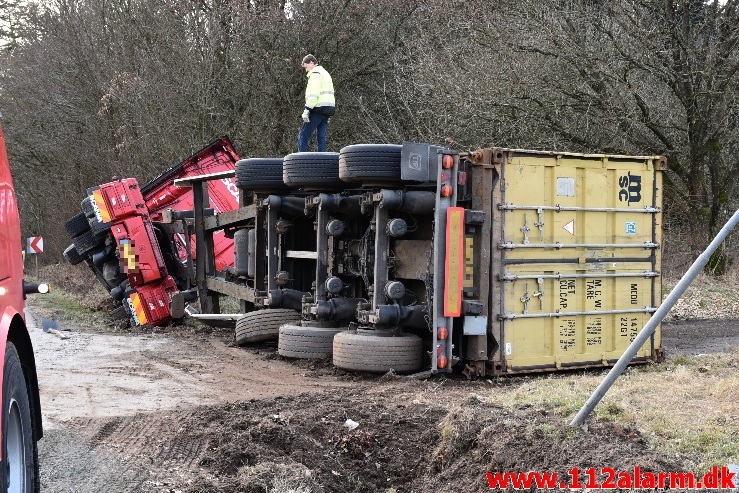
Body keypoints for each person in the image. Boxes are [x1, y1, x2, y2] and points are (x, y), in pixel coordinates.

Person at [297, 54, 335, 152]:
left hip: (318, 109)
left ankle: (301, 160)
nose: (306, 70)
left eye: (306, 67)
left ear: (312, 63)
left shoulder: (315, 74)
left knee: (303, 134)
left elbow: (313, 95)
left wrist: (307, 110)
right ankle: (323, 160)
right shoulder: (325, 73)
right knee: (321, 139)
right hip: (328, 110)